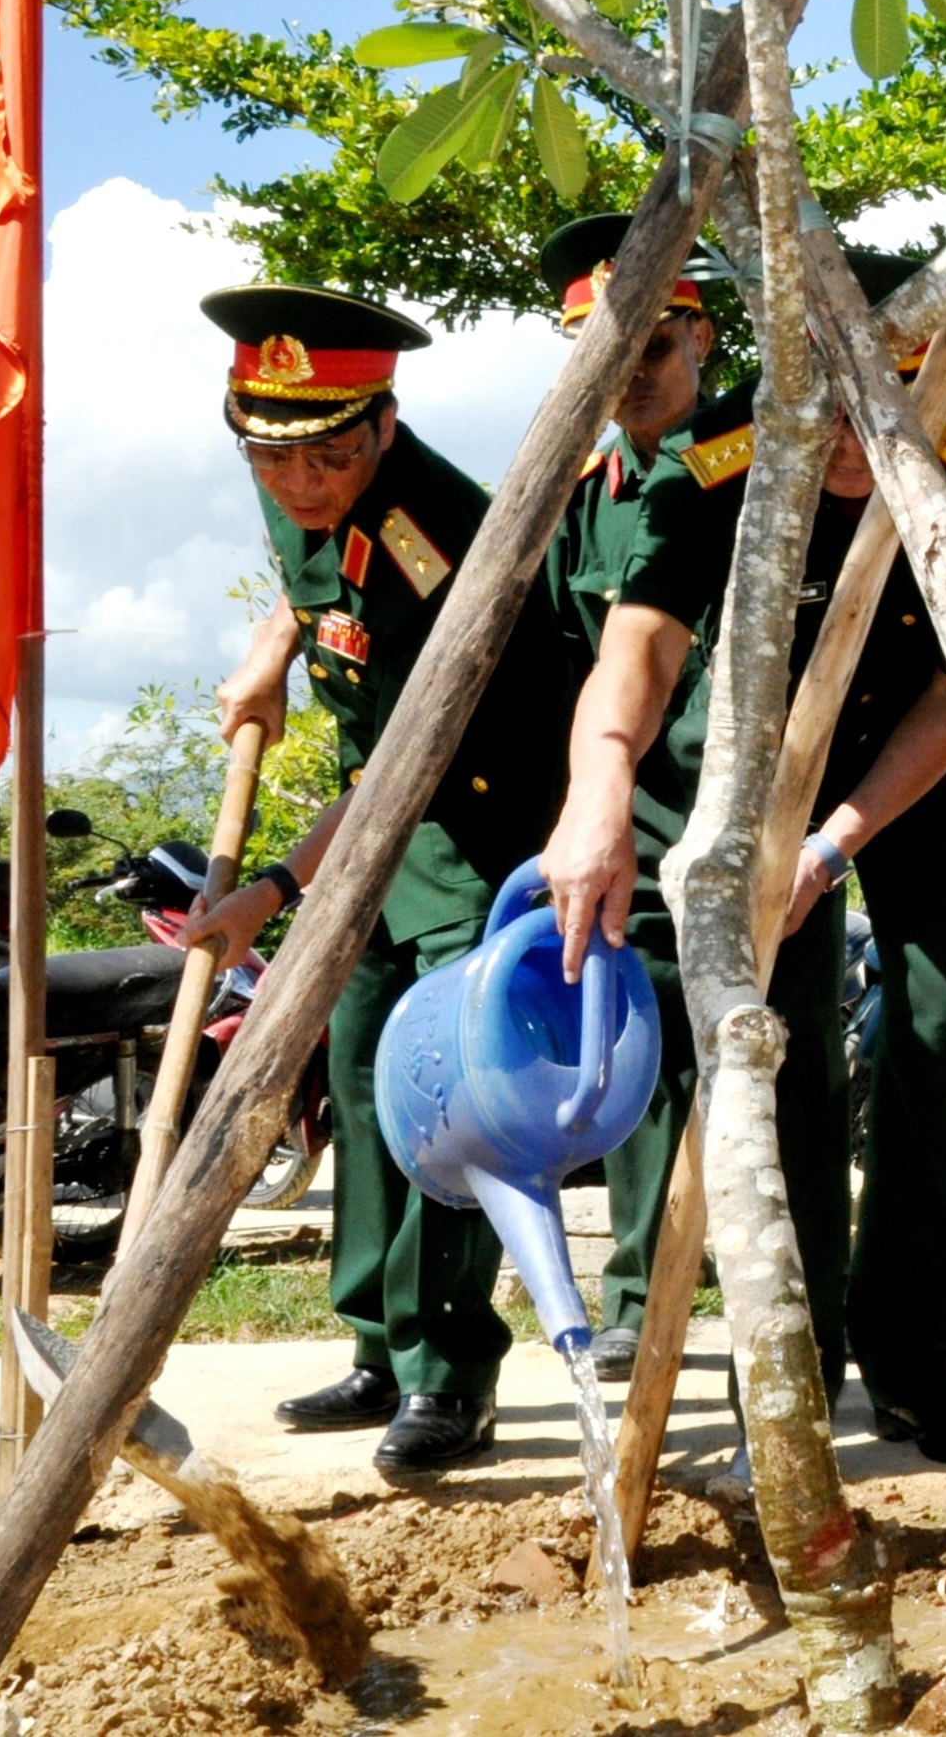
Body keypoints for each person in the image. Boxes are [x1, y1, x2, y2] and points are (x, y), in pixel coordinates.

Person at [538, 253, 946, 1466]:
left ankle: (921, 1364)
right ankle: (800, 1357)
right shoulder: (714, 457)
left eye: (882, 429)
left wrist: (838, 842)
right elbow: (641, 648)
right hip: (764, 753)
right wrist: (599, 789)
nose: (849, 457)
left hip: (925, 764)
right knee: (785, 1053)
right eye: (824, 426)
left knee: (938, 1039)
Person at [186, 285, 568, 1474]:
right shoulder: (296, 480)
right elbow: (312, 589)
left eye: (334, 454)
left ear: (386, 427)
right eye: (273, 453)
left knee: (440, 1101)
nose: (303, 483)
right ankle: (378, 1345)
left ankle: (451, 1375)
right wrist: (272, 645)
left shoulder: (436, 535)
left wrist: (275, 891)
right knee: (356, 1078)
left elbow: (413, 751)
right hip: (376, 831)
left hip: (474, 821)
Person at [531, 214, 723, 1382]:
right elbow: (567, 658)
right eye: (605, 357)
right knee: (633, 1043)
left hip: (750, 805)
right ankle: (639, 1294)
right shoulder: (584, 494)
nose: (632, 381)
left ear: (700, 337)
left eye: (653, 348)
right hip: (628, 818)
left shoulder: (752, 460)